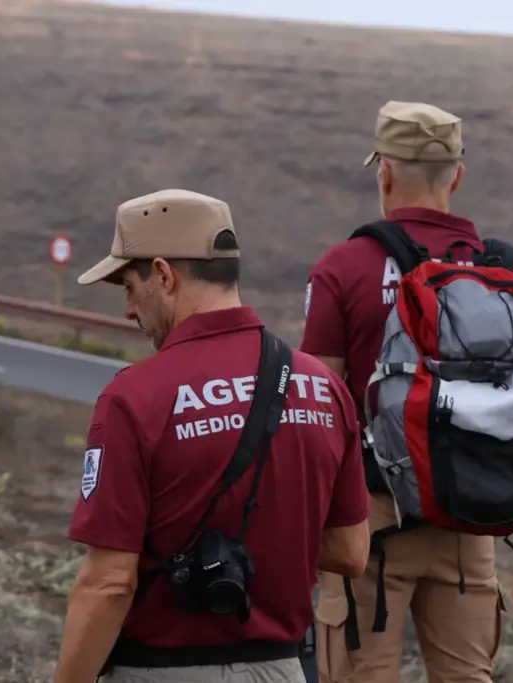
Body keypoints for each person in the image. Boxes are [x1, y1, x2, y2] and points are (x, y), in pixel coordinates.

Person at [53, 188, 371, 683]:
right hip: (284, 669)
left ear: (163, 275)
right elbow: (351, 553)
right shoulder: (324, 388)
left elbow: (109, 585)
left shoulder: (134, 398)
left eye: (129, 289)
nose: (129, 312)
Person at [301, 101, 513, 683]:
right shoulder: (503, 276)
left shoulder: (345, 268)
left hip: (369, 524)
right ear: (457, 176)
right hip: (469, 517)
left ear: (383, 171)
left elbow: (315, 411)